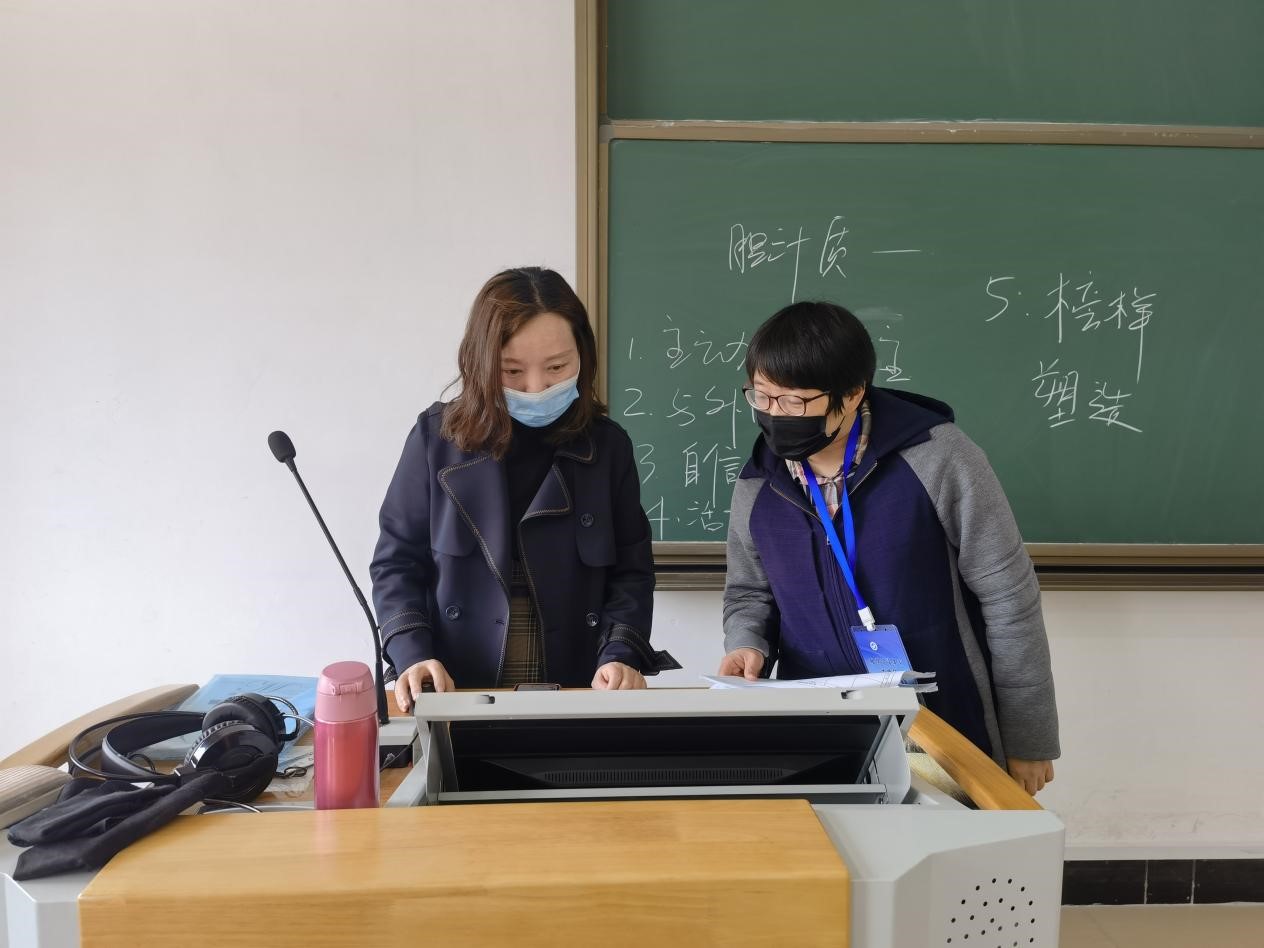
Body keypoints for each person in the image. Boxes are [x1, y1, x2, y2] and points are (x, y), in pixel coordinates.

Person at [718, 301, 1059, 794]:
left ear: (852, 393)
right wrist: (746, 643)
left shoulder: (939, 457)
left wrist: (1029, 739)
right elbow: (749, 593)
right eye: (763, 396)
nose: (774, 415)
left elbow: (1009, 597)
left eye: (794, 401)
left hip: (944, 725)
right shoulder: (758, 485)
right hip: (820, 733)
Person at [371, 267, 673, 711]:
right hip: (455, 689)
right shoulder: (435, 439)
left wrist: (621, 653)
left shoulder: (607, 447)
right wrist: (412, 652)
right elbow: (396, 562)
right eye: (511, 371)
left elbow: (632, 571)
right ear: (479, 363)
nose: (536, 388)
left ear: (583, 356)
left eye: (557, 367)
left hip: (577, 689)